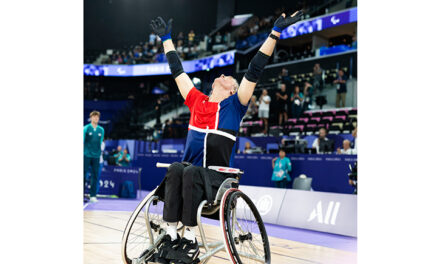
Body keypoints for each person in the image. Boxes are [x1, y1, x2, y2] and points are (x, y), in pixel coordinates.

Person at [149, 11, 303, 263]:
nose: (221, 76)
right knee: (177, 167)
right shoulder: (196, 100)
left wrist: (274, 33)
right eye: (220, 76)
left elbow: (255, 69)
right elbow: (177, 72)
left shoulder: (235, 104)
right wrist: (166, 38)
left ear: (232, 88)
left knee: (188, 171)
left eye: (227, 77)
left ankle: (190, 236)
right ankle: (169, 232)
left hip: (217, 178)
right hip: (190, 172)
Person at [84, 111, 105, 203]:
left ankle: (93, 195)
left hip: (96, 156)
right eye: (94, 117)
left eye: (97, 117)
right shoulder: (86, 128)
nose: (96, 118)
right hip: (86, 155)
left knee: (95, 176)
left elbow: (100, 143)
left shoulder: (101, 130)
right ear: (91, 118)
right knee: (83, 174)